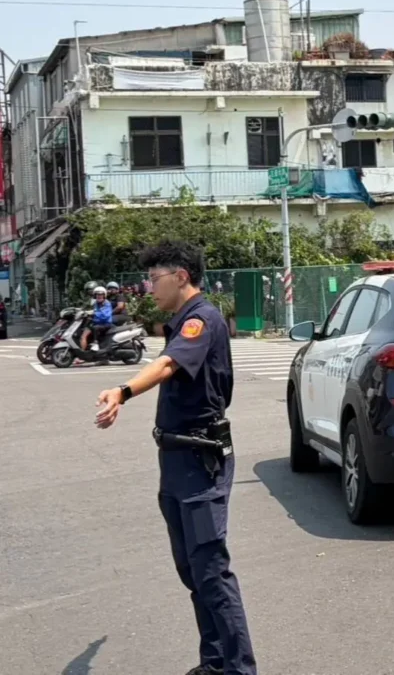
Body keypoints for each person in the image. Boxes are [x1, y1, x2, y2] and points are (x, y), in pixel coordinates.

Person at [94, 240, 257, 675]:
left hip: (200, 463)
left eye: (154, 278)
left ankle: (239, 670)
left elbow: (168, 365)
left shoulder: (200, 319)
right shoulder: (182, 319)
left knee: (210, 572)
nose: (149, 287)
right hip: (178, 460)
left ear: (181, 277)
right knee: (193, 572)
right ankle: (215, 662)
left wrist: (123, 391)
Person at [83, 285, 114, 352]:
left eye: (101, 294)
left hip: (106, 324)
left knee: (95, 328)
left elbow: (105, 316)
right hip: (99, 323)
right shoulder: (96, 303)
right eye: (97, 294)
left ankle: (96, 343)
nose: (99, 296)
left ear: (104, 295)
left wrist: (94, 313)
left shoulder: (107, 303)